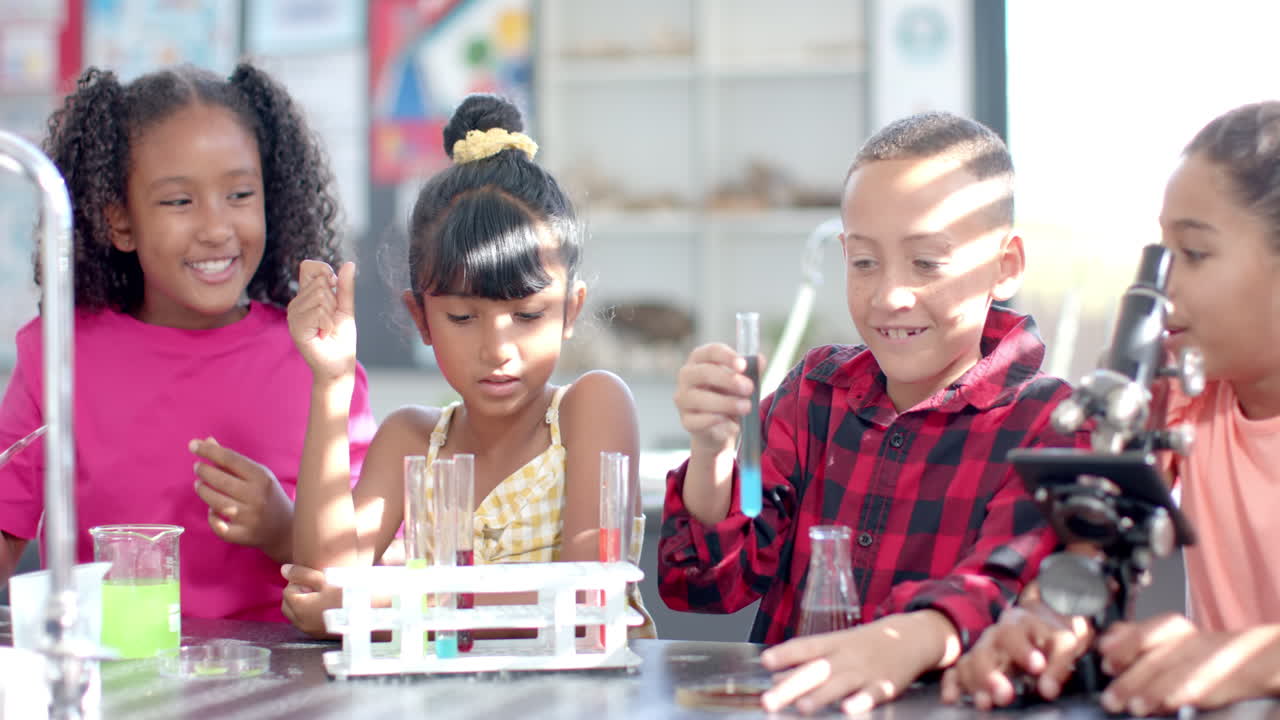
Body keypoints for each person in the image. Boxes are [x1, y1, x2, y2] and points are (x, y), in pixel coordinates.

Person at [659, 111, 1085, 715]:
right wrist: (715, 453)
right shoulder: (816, 391)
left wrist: (905, 641)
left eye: (927, 263)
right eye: (864, 262)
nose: (889, 295)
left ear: (1006, 264)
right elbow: (707, 586)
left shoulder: (1050, 423)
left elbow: (1004, 585)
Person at [0, 63, 376, 622]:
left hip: (282, 692)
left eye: (240, 194)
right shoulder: (57, 355)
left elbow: (370, 566)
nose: (216, 228)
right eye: (179, 202)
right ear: (120, 223)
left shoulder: (318, 362)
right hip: (115, 683)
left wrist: (282, 528)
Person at [942, 102, 1280, 715]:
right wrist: (1049, 622)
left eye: (1196, 254)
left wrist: (1248, 656)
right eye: (1162, 251)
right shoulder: (1181, 395)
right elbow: (1091, 551)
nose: (1163, 285)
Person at [281, 94, 655, 639]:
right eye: (462, 316)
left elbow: (587, 598)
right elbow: (325, 579)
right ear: (422, 317)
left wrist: (382, 611)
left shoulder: (590, 407)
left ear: (571, 310)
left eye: (527, 314)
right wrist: (332, 382)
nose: (496, 347)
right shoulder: (411, 439)